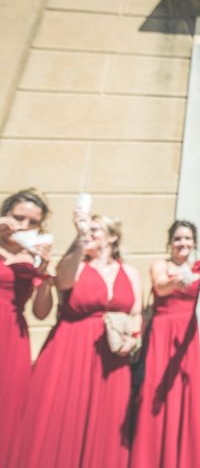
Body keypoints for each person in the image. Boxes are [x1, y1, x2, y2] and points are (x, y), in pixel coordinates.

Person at [10, 212, 142, 467]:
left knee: (107, 423)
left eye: (96, 230)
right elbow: (63, 279)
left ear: (112, 236)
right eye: (87, 229)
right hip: (71, 348)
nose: (89, 233)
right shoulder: (77, 264)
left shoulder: (130, 271)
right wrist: (79, 239)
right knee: (63, 418)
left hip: (113, 357)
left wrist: (134, 338)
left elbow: (135, 312)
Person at [131, 220, 200, 467]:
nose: (183, 243)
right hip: (162, 332)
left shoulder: (197, 267)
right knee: (154, 388)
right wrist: (177, 280)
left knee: (185, 389)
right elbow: (160, 286)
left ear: (194, 242)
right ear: (170, 243)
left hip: (186, 336)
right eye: (178, 239)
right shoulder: (162, 265)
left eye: (187, 239)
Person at [0, 189, 53, 466]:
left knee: (7, 411)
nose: (24, 226)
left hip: (11, 337)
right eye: (18, 218)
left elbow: (42, 312)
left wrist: (44, 273)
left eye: (33, 223)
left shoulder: (31, 257)